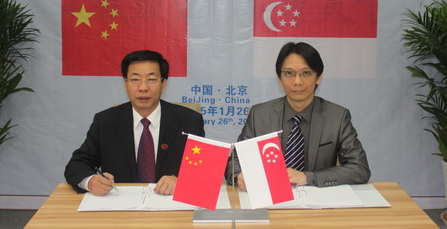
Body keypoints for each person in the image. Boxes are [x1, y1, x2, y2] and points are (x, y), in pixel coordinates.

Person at [227, 42, 370, 190]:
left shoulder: (337, 117)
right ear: (280, 79)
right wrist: (238, 176)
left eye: (306, 73)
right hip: (271, 197)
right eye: (289, 73)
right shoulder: (259, 115)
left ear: (318, 77)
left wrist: (307, 177)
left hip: (319, 200)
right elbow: (234, 161)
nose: (297, 82)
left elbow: (359, 168)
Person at [65, 50, 205, 196]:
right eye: (135, 79)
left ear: (163, 84)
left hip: (169, 203)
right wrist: (91, 181)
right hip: (119, 205)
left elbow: (204, 169)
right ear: (125, 84)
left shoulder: (189, 121)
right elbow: (77, 164)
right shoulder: (106, 121)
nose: (143, 88)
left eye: (151, 79)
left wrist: (181, 180)